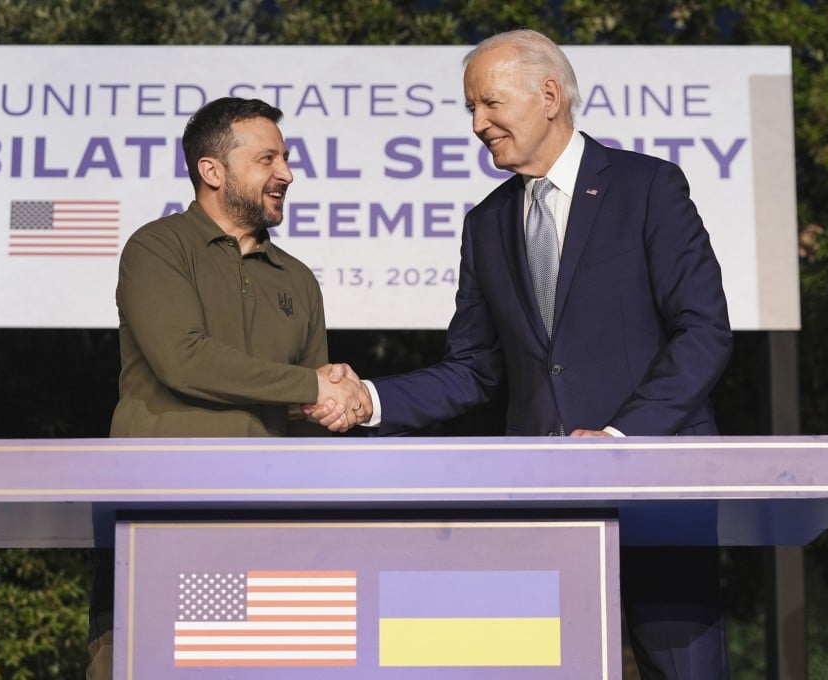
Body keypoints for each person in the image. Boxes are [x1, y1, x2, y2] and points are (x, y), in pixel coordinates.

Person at [308, 29, 733, 679]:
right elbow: (474, 369)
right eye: (470, 108)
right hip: (544, 511)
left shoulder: (648, 188)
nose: (478, 123)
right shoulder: (486, 225)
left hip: (656, 493)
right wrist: (370, 398)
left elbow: (702, 333)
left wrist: (621, 438)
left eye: (490, 103)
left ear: (549, 96)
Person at [88, 96, 368, 679]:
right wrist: (313, 388)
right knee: (145, 666)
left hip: (267, 528)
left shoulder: (297, 280)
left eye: (285, 158)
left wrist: (342, 404)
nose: (286, 174)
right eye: (267, 158)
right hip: (159, 516)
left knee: (262, 667)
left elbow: (305, 410)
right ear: (212, 171)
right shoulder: (157, 247)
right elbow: (183, 361)